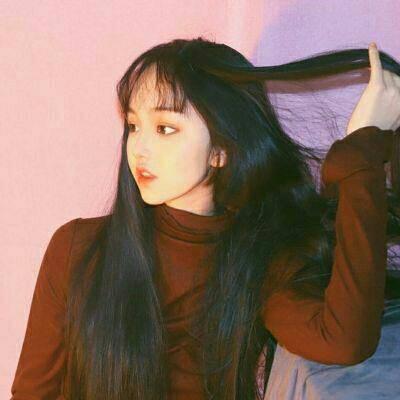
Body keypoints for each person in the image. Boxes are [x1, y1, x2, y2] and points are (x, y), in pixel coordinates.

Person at [10, 38, 400, 400]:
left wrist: (361, 150)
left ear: (221, 150)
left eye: (164, 128)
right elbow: (32, 393)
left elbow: (343, 340)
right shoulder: (79, 247)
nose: (139, 148)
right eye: (133, 126)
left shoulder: (257, 259)